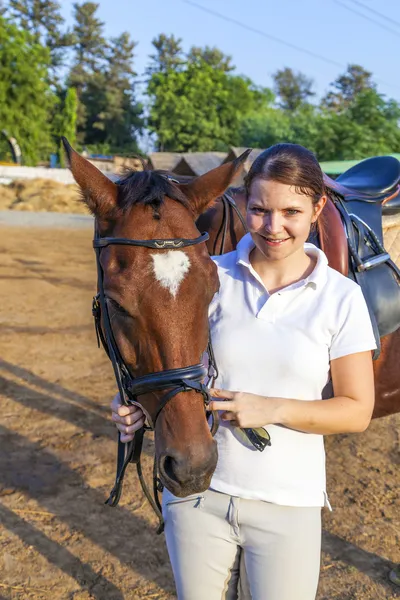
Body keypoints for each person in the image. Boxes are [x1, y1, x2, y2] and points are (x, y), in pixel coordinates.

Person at [111, 143, 376, 600]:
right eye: (259, 210)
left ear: (317, 208)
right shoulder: (208, 276)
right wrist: (133, 404)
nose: (273, 227)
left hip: (287, 506)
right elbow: (166, 361)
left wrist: (269, 408)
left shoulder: (341, 297)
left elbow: (356, 412)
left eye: (290, 211)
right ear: (242, 206)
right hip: (196, 495)